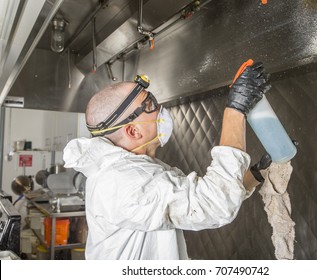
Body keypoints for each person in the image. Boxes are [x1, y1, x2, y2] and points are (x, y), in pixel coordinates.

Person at [63, 62, 271, 260]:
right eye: (149, 105)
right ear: (133, 131)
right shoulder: (124, 182)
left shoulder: (131, 170)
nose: (159, 109)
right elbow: (213, 204)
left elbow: (198, 199)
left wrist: (253, 176)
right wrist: (236, 109)